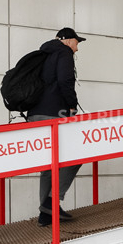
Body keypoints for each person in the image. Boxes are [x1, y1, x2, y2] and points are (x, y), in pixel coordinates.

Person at [26, 27, 86, 227]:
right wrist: (72, 105)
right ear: (68, 40)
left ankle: (45, 215)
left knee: (48, 165)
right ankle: (51, 202)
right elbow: (65, 80)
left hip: (34, 114)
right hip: (54, 114)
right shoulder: (64, 52)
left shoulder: (43, 53)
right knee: (77, 155)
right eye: (76, 43)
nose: (77, 48)